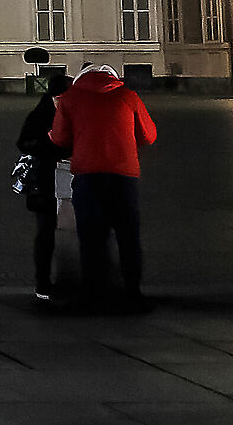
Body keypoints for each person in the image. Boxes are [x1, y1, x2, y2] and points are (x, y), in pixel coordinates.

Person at [51, 63, 158, 308]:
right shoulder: (128, 96)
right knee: (128, 236)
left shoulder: (70, 99)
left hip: (87, 174)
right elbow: (149, 136)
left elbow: (60, 138)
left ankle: (93, 293)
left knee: (91, 237)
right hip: (124, 174)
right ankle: (132, 292)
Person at [15, 71, 68, 302]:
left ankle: (65, 280)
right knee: (46, 233)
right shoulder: (40, 115)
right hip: (45, 182)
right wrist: (49, 145)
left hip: (67, 179)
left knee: (61, 233)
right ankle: (43, 282)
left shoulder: (60, 113)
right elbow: (24, 143)